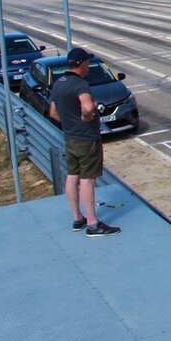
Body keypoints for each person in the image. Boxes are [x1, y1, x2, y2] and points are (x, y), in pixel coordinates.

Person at [48, 47, 121, 237]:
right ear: (81, 64)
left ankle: (77, 218)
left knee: (72, 176)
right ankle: (93, 223)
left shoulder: (59, 83)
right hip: (86, 138)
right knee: (87, 180)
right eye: (87, 62)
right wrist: (86, 117)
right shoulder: (80, 84)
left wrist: (71, 122)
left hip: (70, 137)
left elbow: (53, 112)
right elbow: (88, 107)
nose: (88, 65)